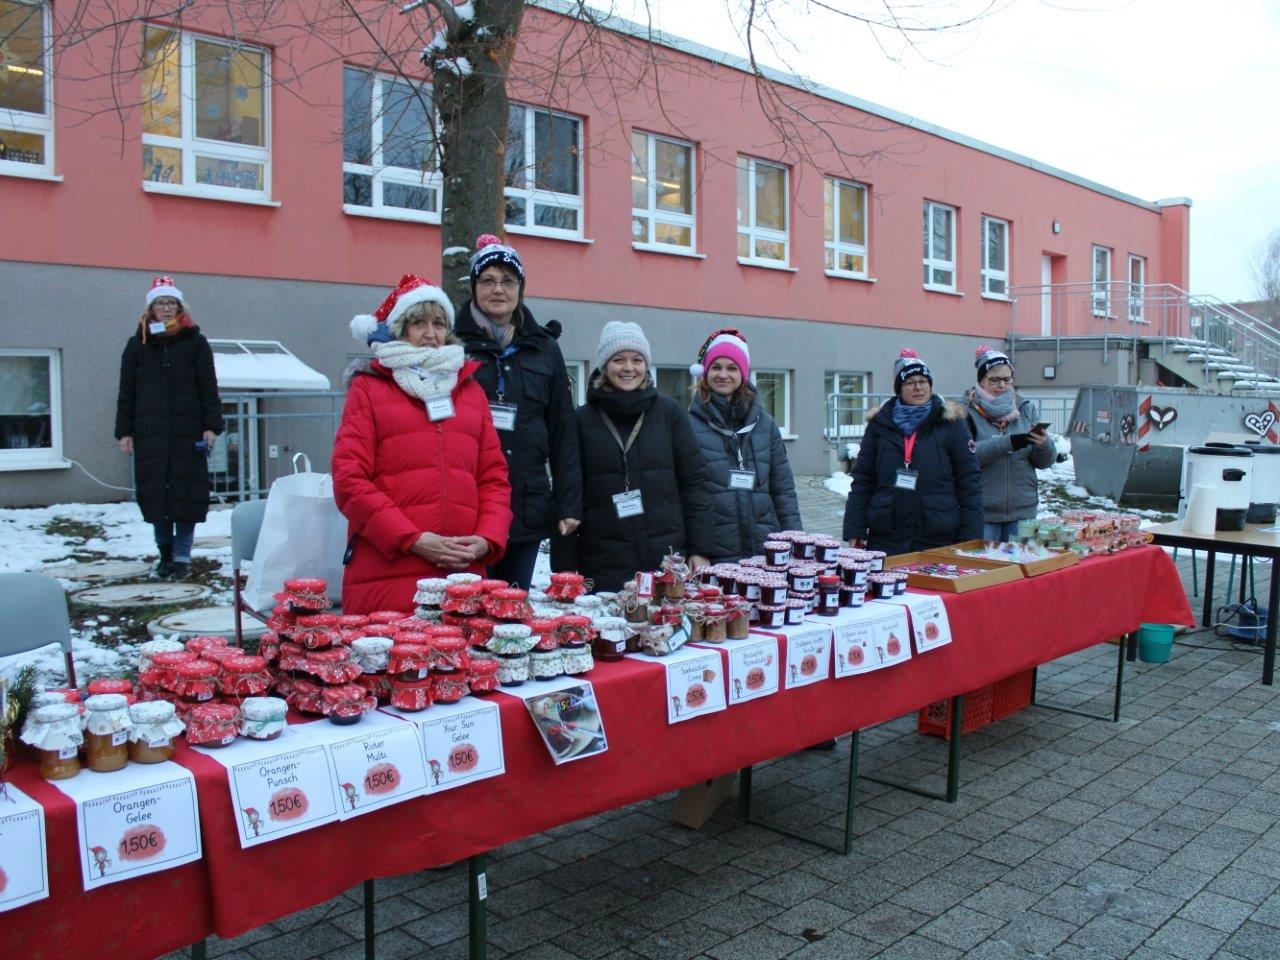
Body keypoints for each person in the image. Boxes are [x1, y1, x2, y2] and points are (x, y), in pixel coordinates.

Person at [334, 274, 512, 614]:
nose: (431, 334)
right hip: (388, 570)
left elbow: (493, 479)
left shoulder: (469, 391)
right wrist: (411, 539)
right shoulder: (369, 389)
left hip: (461, 572)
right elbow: (349, 479)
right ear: (400, 330)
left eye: (439, 324)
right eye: (418, 323)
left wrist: (487, 538)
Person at [454, 233, 582, 588]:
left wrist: (569, 503)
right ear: (474, 287)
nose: (498, 289)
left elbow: (562, 430)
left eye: (508, 281)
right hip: (468, 507)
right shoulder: (453, 344)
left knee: (512, 611)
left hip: (525, 503)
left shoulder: (544, 348)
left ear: (520, 289)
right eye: (488, 280)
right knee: (467, 613)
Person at [554, 321, 714, 592]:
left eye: (637, 360)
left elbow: (695, 484)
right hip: (602, 562)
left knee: (666, 631)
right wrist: (565, 572)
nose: (629, 368)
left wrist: (701, 549)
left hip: (666, 560)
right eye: (619, 359)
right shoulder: (580, 420)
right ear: (605, 365)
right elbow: (567, 494)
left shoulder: (669, 414)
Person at [115, 276, 223, 579]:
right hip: (150, 433)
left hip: (187, 433)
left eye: (171, 303)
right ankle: (164, 554)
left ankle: (181, 558)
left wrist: (211, 425)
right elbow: (127, 391)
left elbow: (208, 387)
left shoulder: (195, 342)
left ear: (179, 306)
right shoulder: (137, 344)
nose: (165, 308)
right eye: (160, 303)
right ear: (151, 307)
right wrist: (124, 431)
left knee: (185, 497)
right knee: (155, 497)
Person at [842, 348, 983, 555]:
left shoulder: (951, 424)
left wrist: (970, 538)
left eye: (923, 381)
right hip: (886, 536)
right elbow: (863, 479)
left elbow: (969, 483)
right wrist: (855, 527)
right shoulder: (880, 425)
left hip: (937, 537)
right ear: (899, 388)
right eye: (910, 382)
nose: (918, 388)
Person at [687, 328, 801, 562]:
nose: (723, 375)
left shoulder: (765, 425)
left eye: (732, 368)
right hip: (717, 553)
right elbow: (686, 498)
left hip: (766, 549)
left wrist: (795, 541)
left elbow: (783, 491)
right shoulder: (688, 426)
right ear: (705, 372)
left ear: (743, 373)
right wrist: (696, 550)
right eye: (716, 367)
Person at [963, 345, 1057, 541]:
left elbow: (1044, 462)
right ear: (981, 381)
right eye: (994, 379)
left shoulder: (1024, 409)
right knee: (986, 569)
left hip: (1022, 511)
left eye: (1007, 379)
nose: (1001, 385)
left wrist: (1043, 444)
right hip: (983, 512)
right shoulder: (965, 412)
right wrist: (1006, 443)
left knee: (1019, 569)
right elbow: (967, 458)